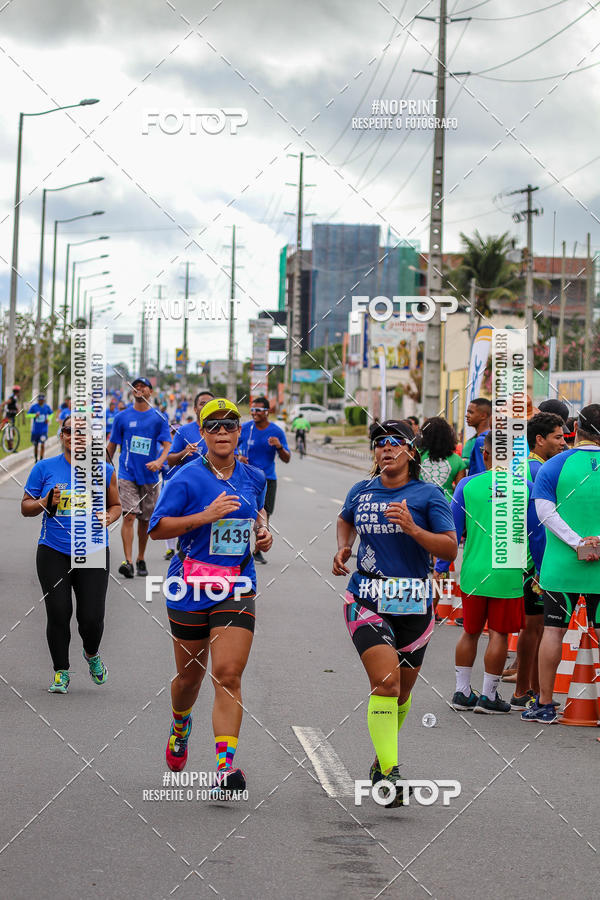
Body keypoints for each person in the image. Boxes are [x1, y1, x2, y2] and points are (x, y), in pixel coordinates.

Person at [149, 399, 272, 797]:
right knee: (190, 677)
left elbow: (257, 514)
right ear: (202, 433)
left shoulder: (254, 476)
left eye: (229, 425)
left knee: (229, 675)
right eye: (213, 425)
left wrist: (263, 531)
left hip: (236, 584)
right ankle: (181, 722)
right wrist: (207, 515)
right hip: (189, 584)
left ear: (239, 432)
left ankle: (224, 767)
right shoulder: (186, 477)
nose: (222, 432)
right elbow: (158, 529)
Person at [333, 420, 457, 808]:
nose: (385, 448)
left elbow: (450, 549)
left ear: (411, 451)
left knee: (401, 694)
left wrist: (413, 529)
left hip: (414, 601)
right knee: (385, 684)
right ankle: (390, 772)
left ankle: (378, 762)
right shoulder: (362, 491)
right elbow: (345, 518)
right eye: (379, 443)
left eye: (394, 443)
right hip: (366, 597)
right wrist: (343, 547)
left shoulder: (428, 495)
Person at [436, 432, 544, 714]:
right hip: (507, 573)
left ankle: (461, 692)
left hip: (472, 570)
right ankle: (488, 696)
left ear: (484, 455)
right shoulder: (526, 487)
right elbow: (536, 535)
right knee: (499, 633)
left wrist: (439, 569)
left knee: (470, 632)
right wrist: (541, 572)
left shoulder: (466, 486)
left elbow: (451, 530)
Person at [21, 416, 121, 693]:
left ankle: (91, 653)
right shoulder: (44, 468)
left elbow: (116, 506)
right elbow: (26, 507)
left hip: (92, 551)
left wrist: (108, 517)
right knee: (58, 611)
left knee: (90, 618)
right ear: (61, 435)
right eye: (68, 430)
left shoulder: (104, 470)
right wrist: (45, 501)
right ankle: (61, 672)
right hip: (53, 550)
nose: (74, 436)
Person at [523, 405, 600, 723]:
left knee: (553, 631)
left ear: (576, 428)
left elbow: (544, 512)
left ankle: (544, 704)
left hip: (561, 566)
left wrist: (577, 542)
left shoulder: (553, 465)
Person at [507, 413, 566, 708]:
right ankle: (523, 690)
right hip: (533, 558)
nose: (563, 441)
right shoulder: (538, 470)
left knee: (533, 627)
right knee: (534, 627)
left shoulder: (526, 466)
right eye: (557, 436)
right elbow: (538, 526)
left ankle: (527, 686)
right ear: (539, 440)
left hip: (519, 555)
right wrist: (542, 568)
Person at [107, 376, 171, 578]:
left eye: (143, 387)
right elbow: (112, 446)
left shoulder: (158, 417)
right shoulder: (122, 418)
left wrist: (160, 461)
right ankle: (128, 561)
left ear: (150, 392)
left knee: (145, 520)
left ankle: (140, 558)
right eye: (135, 387)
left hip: (150, 476)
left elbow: (167, 444)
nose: (139, 389)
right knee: (129, 515)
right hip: (127, 474)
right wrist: (103, 468)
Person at [238, 396, 290, 564]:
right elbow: (229, 447)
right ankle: (241, 548)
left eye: (258, 410)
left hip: (267, 479)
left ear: (267, 412)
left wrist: (279, 446)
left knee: (265, 514)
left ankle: (257, 549)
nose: (254, 413)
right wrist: (238, 457)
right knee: (245, 512)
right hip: (246, 477)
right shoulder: (245, 428)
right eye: (252, 410)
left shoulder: (276, 431)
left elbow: (287, 458)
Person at [418, 416, 466, 502]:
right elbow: (460, 491)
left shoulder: (416, 455)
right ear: (448, 435)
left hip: (419, 500)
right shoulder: (458, 461)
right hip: (446, 503)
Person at [166, 390, 214, 471]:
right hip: (190, 482)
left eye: (210, 404)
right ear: (195, 409)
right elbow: (170, 461)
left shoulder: (224, 430)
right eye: (202, 404)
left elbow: (234, 458)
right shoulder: (182, 431)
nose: (206, 406)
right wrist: (184, 453)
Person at [462, 399, 491, 476]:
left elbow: (482, 471)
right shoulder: (491, 436)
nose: (467, 415)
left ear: (483, 416)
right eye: (467, 412)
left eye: (471, 412)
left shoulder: (482, 440)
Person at [27, 393, 53, 462]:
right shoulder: (34, 407)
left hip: (43, 430)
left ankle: (41, 459)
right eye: (39, 400)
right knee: (35, 445)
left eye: (42, 400)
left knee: (42, 444)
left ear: (44, 400)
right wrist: (34, 415)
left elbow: (51, 414)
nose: (41, 401)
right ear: (38, 400)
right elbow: (27, 415)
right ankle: (36, 459)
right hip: (35, 430)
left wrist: (48, 419)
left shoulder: (47, 407)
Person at [3, 384, 21, 452]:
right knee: (9, 433)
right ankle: (10, 448)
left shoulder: (15, 398)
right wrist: (1, 405)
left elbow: (15, 406)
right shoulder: (12, 397)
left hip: (12, 417)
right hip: (8, 417)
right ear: (16, 392)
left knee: (11, 432)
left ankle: (12, 448)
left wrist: (17, 410)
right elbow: (7, 402)